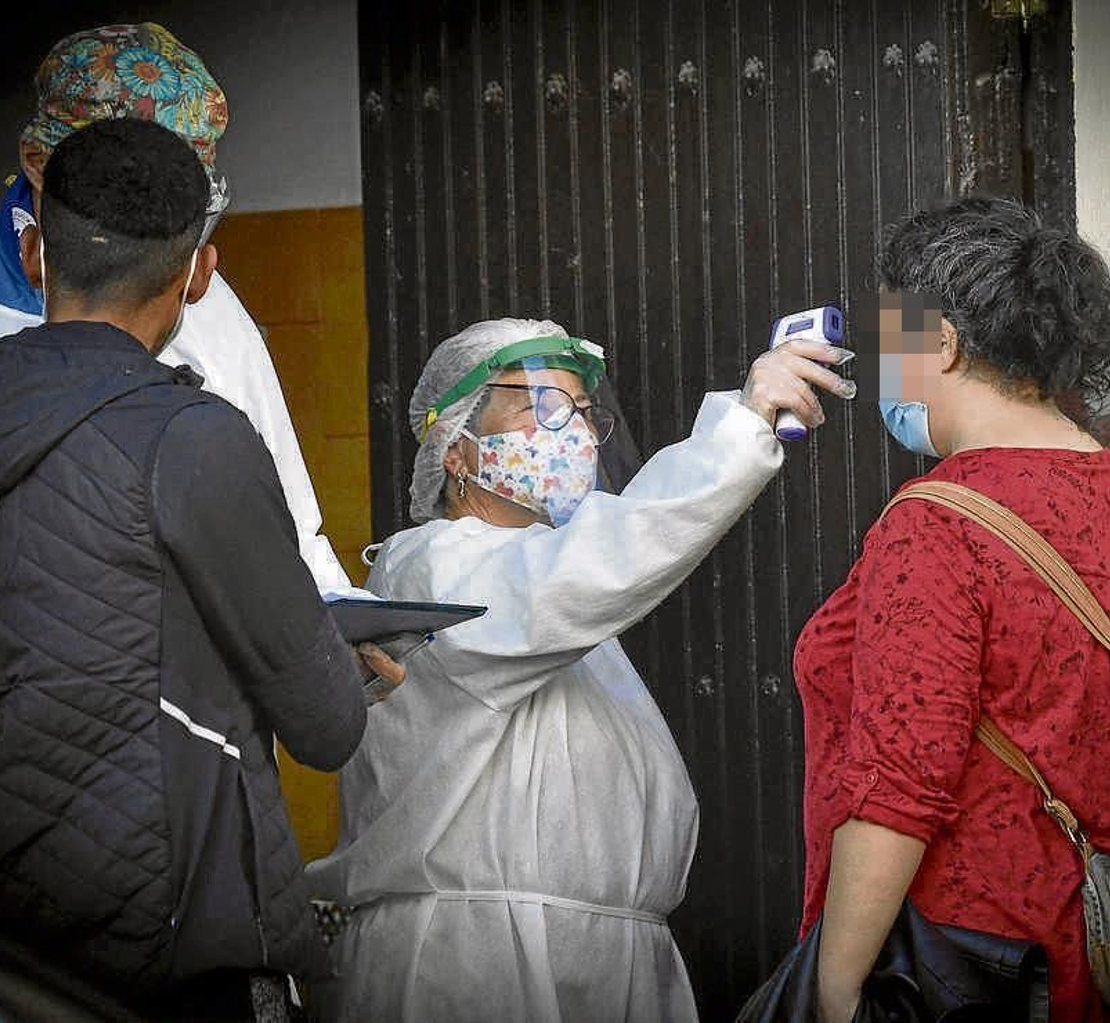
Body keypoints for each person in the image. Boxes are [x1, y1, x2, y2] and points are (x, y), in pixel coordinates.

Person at [0, 119, 402, 1019]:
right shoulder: (195, 440)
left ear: (34, 255)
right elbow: (326, 727)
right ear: (199, 274)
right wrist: (335, 662)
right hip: (181, 963)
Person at [304, 317, 854, 1020]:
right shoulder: (434, 566)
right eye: (542, 405)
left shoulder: (563, 610)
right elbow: (612, 552)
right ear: (456, 450)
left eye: (583, 411)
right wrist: (741, 426)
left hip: (598, 958)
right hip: (477, 960)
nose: (576, 434)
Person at [792, 197, 1110, 1023]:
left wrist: (834, 986)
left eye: (892, 338)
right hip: (1085, 948)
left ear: (943, 343)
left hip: (957, 962)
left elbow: (899, 785)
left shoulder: (936, 522)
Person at [0, 21, 352, 593]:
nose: (148, 215)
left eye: (180, 190)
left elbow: (292, 536)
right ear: (36, 161)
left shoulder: (209, 302)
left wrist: (349, 618)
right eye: (122, 181)